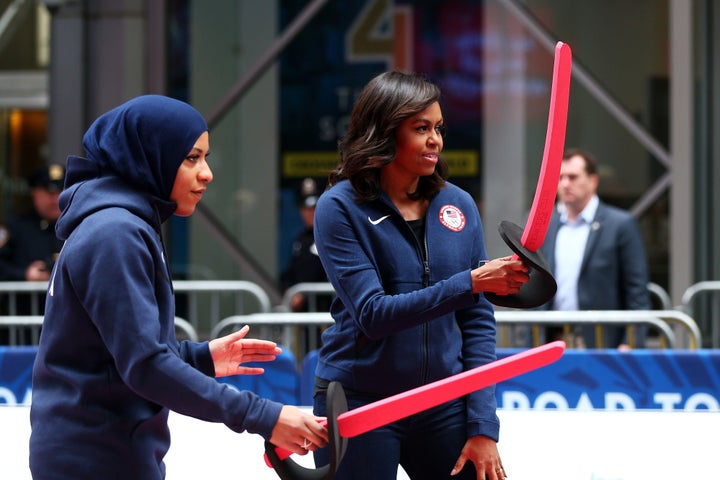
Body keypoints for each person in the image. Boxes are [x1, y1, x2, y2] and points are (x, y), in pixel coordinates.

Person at [29, 95, 327, 479]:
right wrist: (263, 415)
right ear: (149, 156)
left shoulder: (117, 224)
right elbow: (144, 365)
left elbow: (116, 356)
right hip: (96, 459)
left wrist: (199, 358)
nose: (207, 173)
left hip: (100, 452)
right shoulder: (115, 233)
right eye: (191, 158)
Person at [311, 71, 529, 480]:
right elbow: (373, 314)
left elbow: (477, 322)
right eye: (421, 128)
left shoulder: (458, 204)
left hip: (443, 403)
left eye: (439, 128)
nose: (436, 140)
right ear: (385, 132)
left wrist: (482, 425)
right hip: (361, 401)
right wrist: (471, 283)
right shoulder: (338, 207)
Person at [540, 148, 651, 349]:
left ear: (593, 181)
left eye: (573, 177)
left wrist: (630, 342)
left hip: (602, 342)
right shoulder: (547, 225)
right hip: (553, 339)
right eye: (561, 177)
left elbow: (637, 291)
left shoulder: (620, 225)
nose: (565, 184)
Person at [0, 163, 65, 283]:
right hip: (25, 301)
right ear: (35, 193)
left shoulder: (77, 228)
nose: (56, 199)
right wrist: (24, 274)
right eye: (50, 192)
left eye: (61, 191)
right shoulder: (16, 227)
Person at [280, 177, 330, 312]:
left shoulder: (331, 236)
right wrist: (288, 290)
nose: (309, 213)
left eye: (314, 207)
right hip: (304, 314)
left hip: (325, 311)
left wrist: (302, 295)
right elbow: (291, 272)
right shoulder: (301, 239)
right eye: (305, 208)